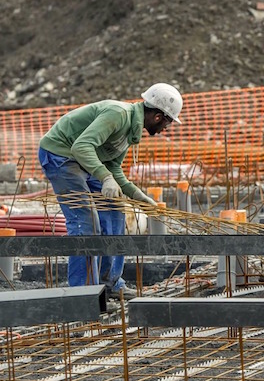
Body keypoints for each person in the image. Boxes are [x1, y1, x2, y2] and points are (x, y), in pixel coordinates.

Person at [38, 83, 183, 299]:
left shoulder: (130, 130)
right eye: (169, 123)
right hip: (61, 155)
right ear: (158, 117)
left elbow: (113, 166)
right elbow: (81, 146)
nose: (167, 129)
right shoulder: (119, 114)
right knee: (85, 222)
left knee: (116, 211)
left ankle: (110, 283)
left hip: (85, 159)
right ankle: (83, 295)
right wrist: (105, 178)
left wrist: (137, 195)